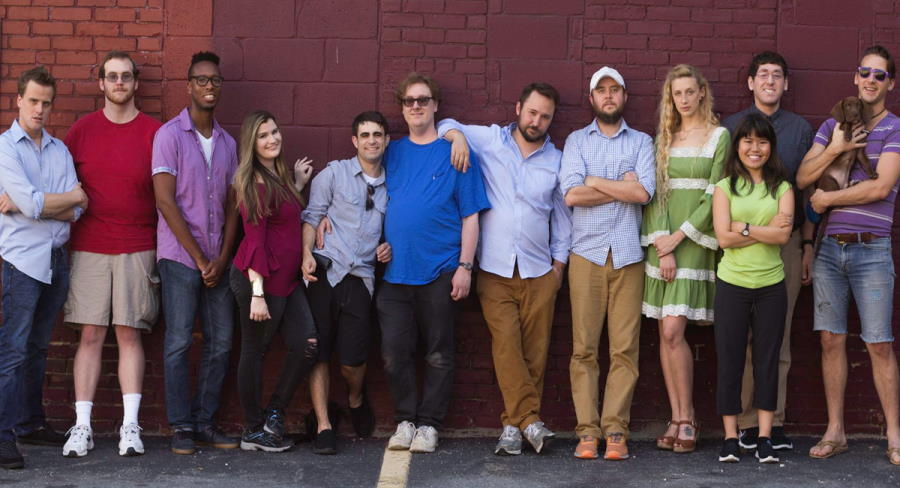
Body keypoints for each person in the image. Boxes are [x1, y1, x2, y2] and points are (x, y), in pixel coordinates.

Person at [437, 83, 572, 456]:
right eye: (532, 112)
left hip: (540, 270)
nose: (537, 121)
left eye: (545, 116)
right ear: (518, 107)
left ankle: (513, 428)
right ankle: (531, 420)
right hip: (495, 270)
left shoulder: (556, 160)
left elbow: (562, 219)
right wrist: (457, 139)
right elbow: (443, 123)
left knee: (536, 353)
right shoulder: (490, 141)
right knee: (507, 346)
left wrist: (558, 268)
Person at [796, 45, 900, 466]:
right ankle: (835, 431)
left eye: (880, 75)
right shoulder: (830, 126)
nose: (871, 80)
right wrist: (837, 148)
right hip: (827, 253)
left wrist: (825, 201)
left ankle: (895, 435)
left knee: (878, 344)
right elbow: (803, 177)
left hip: (872, 249)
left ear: (890, 84)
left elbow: (880, 188)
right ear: (855, 79)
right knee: (829, 341)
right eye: (865, 73)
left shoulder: (894, 129)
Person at [379, 73, 490, 454]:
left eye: (423, 100)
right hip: (395, 273)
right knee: (395, 352)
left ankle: (429, 425)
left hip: (442, 269)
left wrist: (465, 265)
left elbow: (471, 215)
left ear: (435, 105)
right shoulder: (391, 151)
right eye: (409, 101)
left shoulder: (456, 152)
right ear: (402, 107)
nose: (415, 106)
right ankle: (406, 420)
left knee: (439, 352)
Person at [61, 51, 162, 458]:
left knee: (129, 333)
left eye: (125, 77)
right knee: (90, 334)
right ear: (101, 84)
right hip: (89, 245)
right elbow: (61, 181)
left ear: (136, 83)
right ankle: (82, 427)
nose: (119, 83)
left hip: (139, 245)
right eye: (111, 77)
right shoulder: (81, 131)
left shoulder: (156, 133)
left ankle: (130, 427)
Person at [561, 67, 655, 461]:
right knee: (584, 349)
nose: (609, 96)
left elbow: (644, 192)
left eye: (615, 90)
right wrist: (618, 185)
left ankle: (615, 430)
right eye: (602, 91)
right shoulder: (575, 140)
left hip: (629, 257)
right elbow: (571, 195)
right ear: (592, 99)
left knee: (624, 350)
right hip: (586, 256)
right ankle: (587, 432)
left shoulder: (643, 141)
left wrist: (594, 181)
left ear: (624, 96)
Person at [721, 51, 814, 452]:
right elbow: (721, 191)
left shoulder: (799, 130)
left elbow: (808, 192)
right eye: (763, 75)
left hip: (786, 248)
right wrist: (743, 231)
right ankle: (742, 423)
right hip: (739, 251)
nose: (770, 81)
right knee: (738, 342)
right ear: (750, 82)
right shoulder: (730, 127)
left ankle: (770, 424)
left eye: (778, 76)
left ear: (786, 84)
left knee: (777, 341)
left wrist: (807, 243)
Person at [152, 51, 240, 455]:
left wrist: (221, 257)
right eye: (201, 80)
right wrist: (201, 259)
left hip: (217, 260)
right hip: (180, 258)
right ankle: (181, 427)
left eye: (215, 80)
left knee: (221, 342)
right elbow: (165, 202)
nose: (209, 86)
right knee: (179, 342)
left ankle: (205, 422)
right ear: (188, 85)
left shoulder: (228, 143)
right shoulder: (169, 135)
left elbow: (233, 206)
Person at [0, 66, 88, 469]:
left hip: (56, 259)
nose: (39, 109)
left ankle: (29, 422)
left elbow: (79, 207)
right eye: (32, 100)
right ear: (18, 99)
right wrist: (50, 201)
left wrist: (32, 203)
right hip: (22, 263)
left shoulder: (59, 150)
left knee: (38, 347)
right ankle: (2, 434)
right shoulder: (6, 149)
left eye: (46, 103)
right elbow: (42, 204)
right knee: (14, 349)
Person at [641, 64, 727, 454]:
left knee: (675, 330)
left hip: (691, 242)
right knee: (664, 330)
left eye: (691, 91)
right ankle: (676, 417)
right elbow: (656, 193)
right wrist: (662, 240)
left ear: (702, 93)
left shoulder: (719, 136)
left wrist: (677, 239)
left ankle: (689, 416)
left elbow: (715, 194)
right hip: (661, 244)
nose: (685, 99)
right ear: (671, 98)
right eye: (678, 94)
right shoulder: (664, 137)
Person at [302, 111, 393, 455]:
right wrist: (305, 254)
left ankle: (355, 397)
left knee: (352, 360)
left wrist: (390, 245)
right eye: (365, 135)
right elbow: (311, 217)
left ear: (385, 141)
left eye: (378, 135)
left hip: (361, 278)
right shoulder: (333, 174)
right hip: (326, 272)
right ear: (355, 141)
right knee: (318, 352)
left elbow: (397, 226)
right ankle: (324, 424)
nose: (371, 140)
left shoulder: (392, 185)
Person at [229, 111, 317, 452]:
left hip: (287, 281)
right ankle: (252, 429)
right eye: (263, 135)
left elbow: (278, 217)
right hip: (261, 283)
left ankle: (274, 414)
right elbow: (254, 242)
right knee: (254, 350)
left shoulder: (275, 178)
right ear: (253, 143)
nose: (272, 139)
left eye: (275, 131)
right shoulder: (255, 183)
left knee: (307, 342)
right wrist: (257, 293)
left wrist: (295, 184)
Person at [712, 113, 794, 464]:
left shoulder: (783, 187)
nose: (754, 148)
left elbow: (783, 236)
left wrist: (743, 226)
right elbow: (722, 237)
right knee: (730, 358)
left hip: (771, 285)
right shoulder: (725, 187)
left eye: (761, 142)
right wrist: (762, 229)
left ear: (770, 147)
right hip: (733, 283)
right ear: (738, 146)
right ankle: (731, 437)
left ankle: (763, 437)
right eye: (747, 141)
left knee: (767, 360)